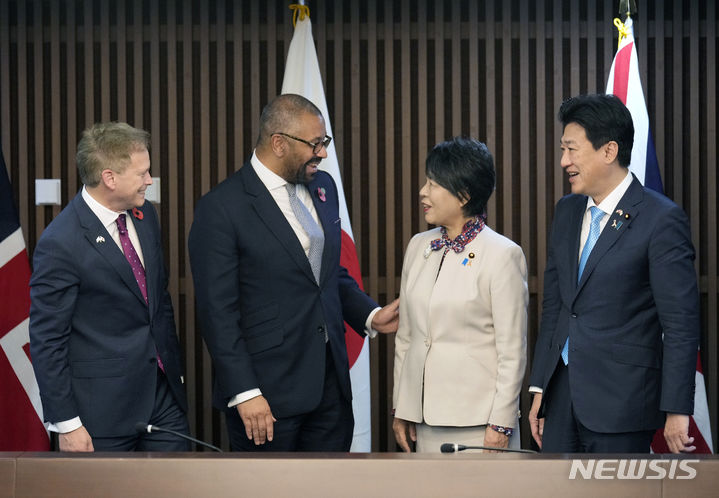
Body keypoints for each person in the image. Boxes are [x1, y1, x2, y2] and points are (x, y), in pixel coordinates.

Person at [188, 93, 399, 452]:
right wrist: (245, 392)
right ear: (279, 143)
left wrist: (371, 315)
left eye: (324, 142)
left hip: (330, 388)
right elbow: (217, 314)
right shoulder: (221, 209)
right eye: (315, 144)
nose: (323, 153)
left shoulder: (323, 187)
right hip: (266, 397)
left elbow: (325, 275)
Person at [528, 93, 700, 453]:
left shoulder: (660, 219)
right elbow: (556, 307)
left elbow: (681, 324)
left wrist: (677, 409)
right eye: (563, 149)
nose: (564, 161)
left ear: (609, 151)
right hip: (560, 401)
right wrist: (541, 387)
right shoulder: (567, 211)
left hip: (623, 404)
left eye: (572, 150)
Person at [29, 122, 190, 451]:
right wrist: (67, 423)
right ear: (109, 178)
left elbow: (157, 300)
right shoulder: (61, 242)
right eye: (142, 173)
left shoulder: (145, 217)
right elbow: (47, 339)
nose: (149, 180)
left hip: (163, 400)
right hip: (101, 414)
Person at [392, 137, 528, 453]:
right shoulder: (418, 247)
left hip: (479, 426)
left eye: (433, 184)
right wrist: (403, 405)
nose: (423, 192)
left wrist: (501, 423)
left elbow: (512, 350)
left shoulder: (502, 255)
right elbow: (407, 337)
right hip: (423, 421)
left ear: (464, 194)